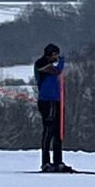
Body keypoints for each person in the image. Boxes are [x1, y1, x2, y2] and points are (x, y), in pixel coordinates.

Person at [33, 43, 71, 173]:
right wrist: (61, 63)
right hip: (46, 101)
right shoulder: (40, 63)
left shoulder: (53, 64)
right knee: (48, 131)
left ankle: (58, 161)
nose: (57, 57)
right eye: (55, 54)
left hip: (56, 100)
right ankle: (45, 162)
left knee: (58, 132)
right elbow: (54, 71)